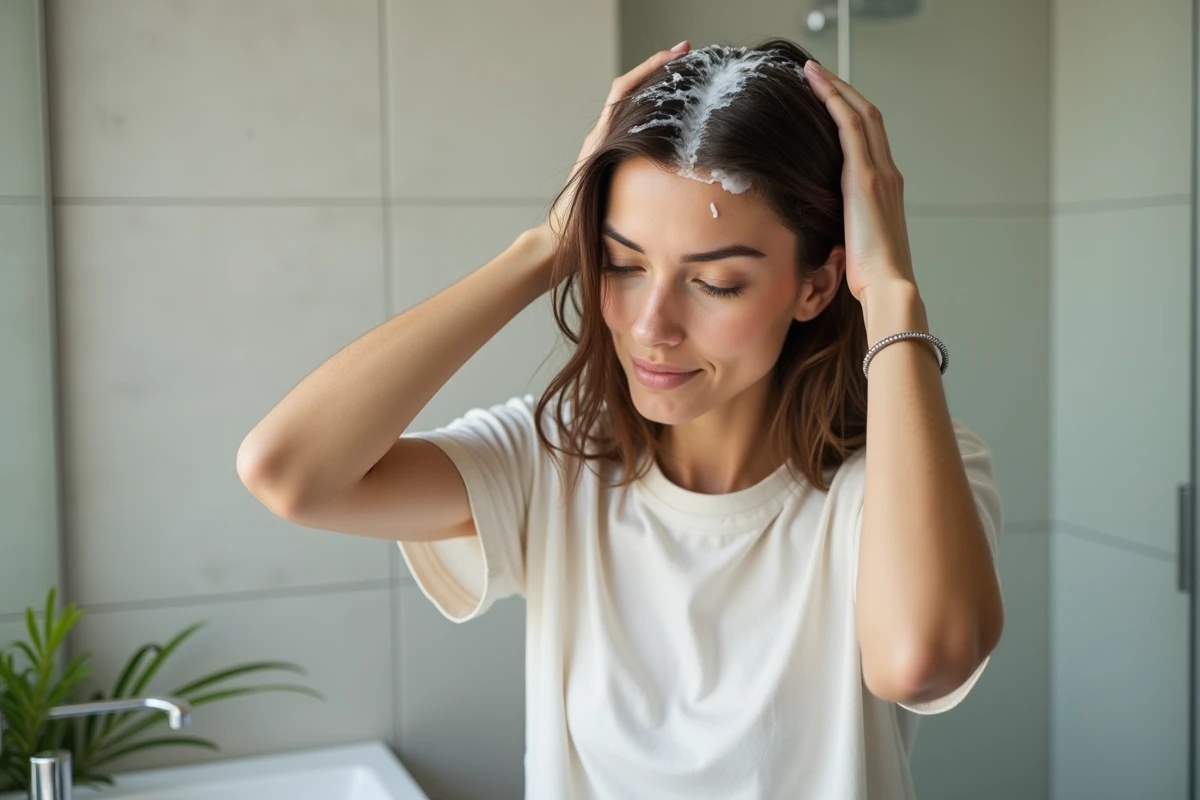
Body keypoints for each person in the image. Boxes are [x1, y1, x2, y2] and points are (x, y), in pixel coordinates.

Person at [237, 36, 1005, 800]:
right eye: (622, 265)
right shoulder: (553, 460)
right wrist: (542, 248)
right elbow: (289, 473)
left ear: (817, 285)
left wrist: (892, 296)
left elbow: (921, 660)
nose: (651, 326)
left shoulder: (901, 476)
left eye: (717, 283)